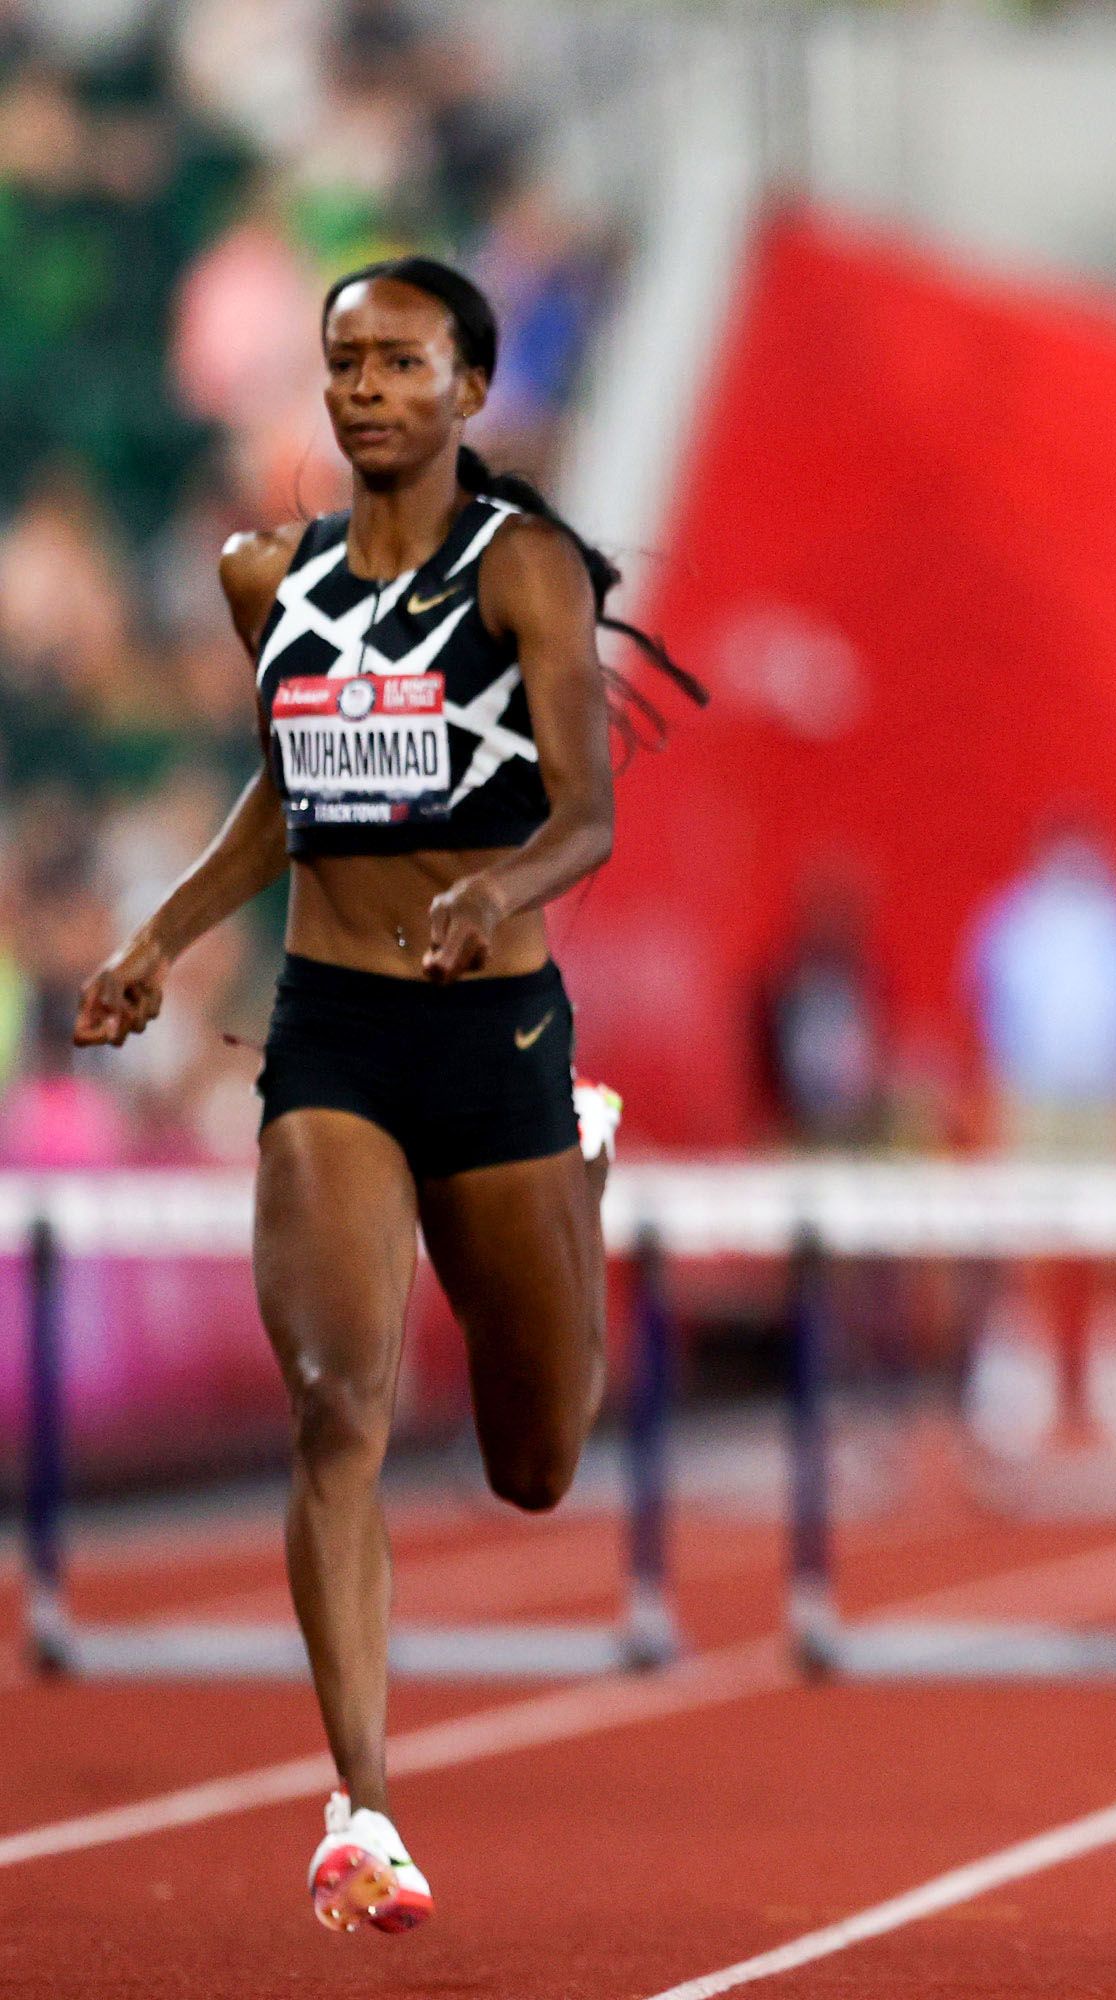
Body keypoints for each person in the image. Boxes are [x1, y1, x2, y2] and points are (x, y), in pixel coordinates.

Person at [71, 255, 697, 1932]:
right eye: (346, 363)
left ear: (470, 391)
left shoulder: (527, 573)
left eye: (403, 364)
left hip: (491, 1039)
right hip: (335, 1028)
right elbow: (286, 800)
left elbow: (586, 814)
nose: (364, 390)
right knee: (338, 1403)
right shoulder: (264, 573)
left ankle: (582, 1160)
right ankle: (362, 1806)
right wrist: (159, 940)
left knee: (537, 1462)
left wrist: (501, 896)